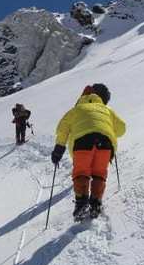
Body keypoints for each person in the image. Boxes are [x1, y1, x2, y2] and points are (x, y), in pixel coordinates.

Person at [51, 84, 126, 219]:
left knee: (81, 172)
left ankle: (81, 203)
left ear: (82, 99)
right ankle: (96, 203)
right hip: (105, 144)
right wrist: (108, 127)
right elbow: (122, 129)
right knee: (99, 174)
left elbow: (63, 128)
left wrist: (59, 149)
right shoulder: (106, 109)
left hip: (82, 142)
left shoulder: (76, 109)